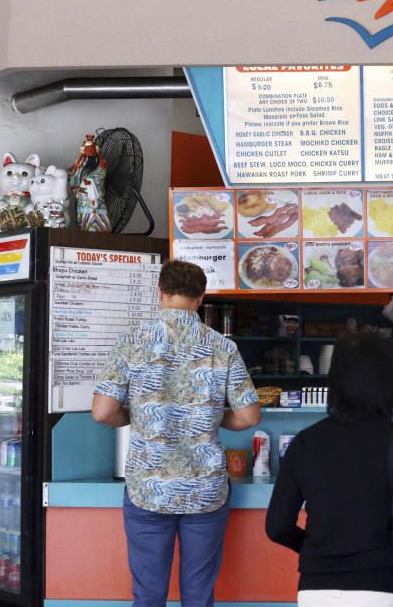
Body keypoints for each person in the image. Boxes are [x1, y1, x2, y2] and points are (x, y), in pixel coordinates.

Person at [91, 259, 261, 606]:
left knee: (149, 593)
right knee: (199, 593)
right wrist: (210, 417)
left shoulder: (133, 340)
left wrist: (132, 417)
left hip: (148, 488)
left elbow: (102, 411)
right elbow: (248, 416)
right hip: (205, 489)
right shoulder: (222, 347)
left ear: (161, 293)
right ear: (201, 298)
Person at [265, 331, 393, 607]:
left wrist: (314, 549)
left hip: (316, 591)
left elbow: (277, 527)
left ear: (335, 379)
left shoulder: (305, 442)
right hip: (383, 589)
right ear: (390, 380)